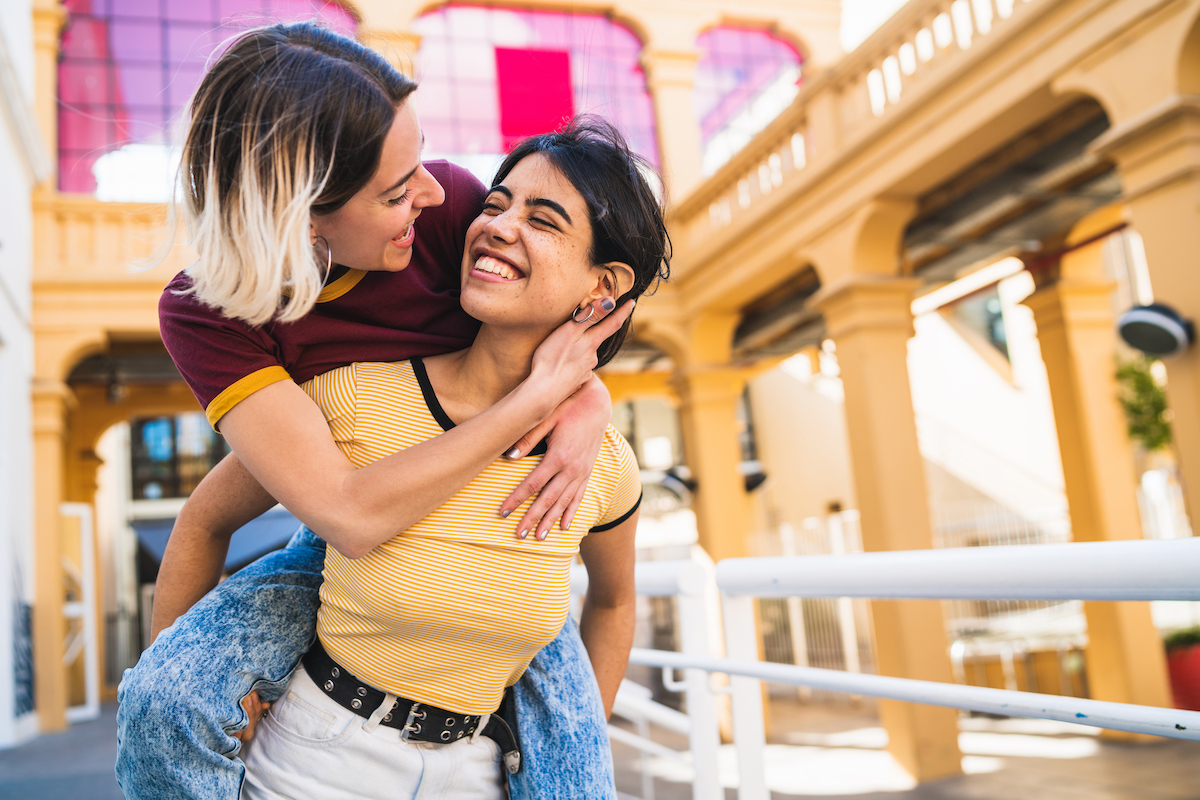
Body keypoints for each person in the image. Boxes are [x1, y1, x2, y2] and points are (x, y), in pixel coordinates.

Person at [114, 22, 640, 800]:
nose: (434, 195)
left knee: (572, 753)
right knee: (163, 700)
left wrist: (583, 392)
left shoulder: (449, 207)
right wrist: (201, 681)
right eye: (397, 190)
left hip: (487, 563)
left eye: (419, 161)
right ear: (303, 212)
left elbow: (547, 305)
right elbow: (344, 517)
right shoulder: (210, 314)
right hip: (341, 531)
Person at [240, 117, 667, 798]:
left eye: (544, 220)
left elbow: (614, 602)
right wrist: (206, 688)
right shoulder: (350, 393)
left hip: (481, 771)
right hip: (313, 763)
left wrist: (580, 738)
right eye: (495, 205)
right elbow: (205, 521)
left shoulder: (604, 465)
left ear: (602, 287)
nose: (497, 225)